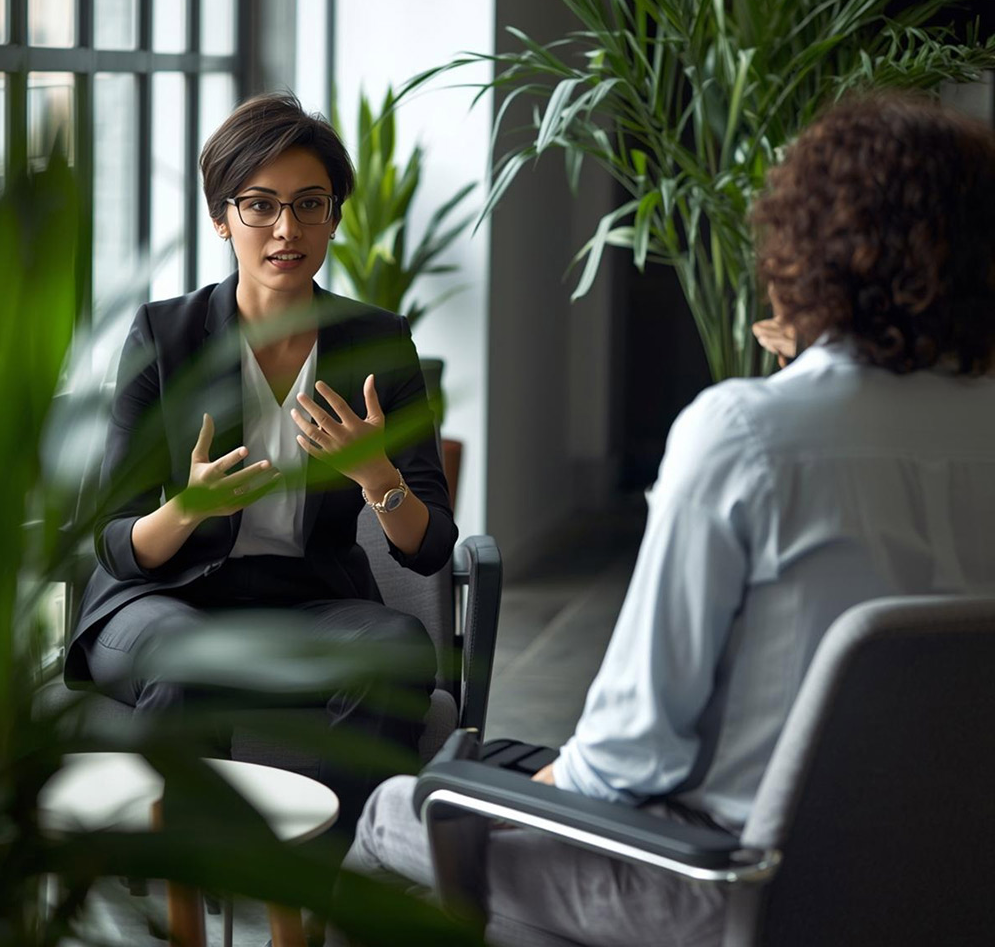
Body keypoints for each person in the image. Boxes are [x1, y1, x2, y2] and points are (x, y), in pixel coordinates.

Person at [342, 91, 995, 945]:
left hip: (728, 887)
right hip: (947, 885)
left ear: (810, 248)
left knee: (402, 811)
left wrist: (528, 790)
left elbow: (631, 755)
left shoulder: (750, 436)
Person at [65, 92, 456, 831]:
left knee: (398, 647)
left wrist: (378, 479)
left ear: (335, 216)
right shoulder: (165, 336)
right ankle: (192, 878)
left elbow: (431, 546)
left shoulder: (376, 343)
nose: (287, 228)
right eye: (260, 205)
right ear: (222, 218)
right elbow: (115, 542)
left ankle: (319, 880)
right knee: (188, 653)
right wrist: (188, 508)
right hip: (159, 605)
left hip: (302, 600)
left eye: (311, 204)